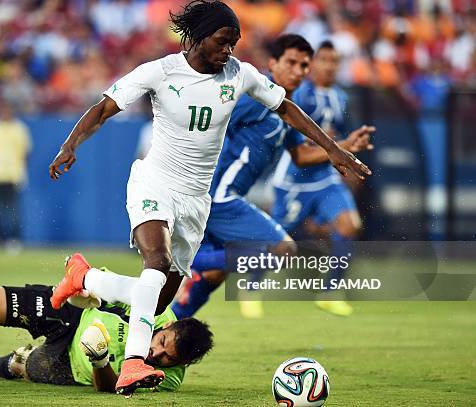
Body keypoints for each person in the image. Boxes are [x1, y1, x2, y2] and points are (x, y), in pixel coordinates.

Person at [47, 1, 370, 395]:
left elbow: (286, 108)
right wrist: (70, 144)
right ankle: (133, 363)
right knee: (157, 260)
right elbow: (102, 109)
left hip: (196, 201)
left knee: (160, 298)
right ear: (198, 37)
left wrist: (334, 149)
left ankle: (86, 277)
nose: (229, 50)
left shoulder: (240, 75)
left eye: (234, 43)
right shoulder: (161, 71)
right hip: (155, 182)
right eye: (222, 41)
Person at [170, 35, 374, 320]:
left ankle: (164, 325)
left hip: (223, 197)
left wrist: (344, 147)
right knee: (281, 249)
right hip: (217, 195)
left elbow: (301, 155)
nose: (298, 70)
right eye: (291, 62)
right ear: (272, 63)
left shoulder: (284, 108)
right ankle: (182, 261)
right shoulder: (256, 98)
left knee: (215, 274)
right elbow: (213, 118)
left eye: (304, 65)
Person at [0, 237, 213, 392]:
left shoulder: (167, 380)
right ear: (168, 325)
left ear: (182, 365)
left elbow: (108, 391)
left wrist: (102, 361)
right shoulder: (151, 306)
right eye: (163, 342)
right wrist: (86, 293)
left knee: (10, 367)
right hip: (69, 315)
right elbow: (100, 290)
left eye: (168, 359)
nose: (157, 354)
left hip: (70, 366)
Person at [271, 41, 374, 316]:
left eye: (334, 61)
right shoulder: (299, 95)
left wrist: (351, 145)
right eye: (324, 60)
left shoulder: (340, 97)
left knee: (349, 226)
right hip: (294, 179)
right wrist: (340, 147)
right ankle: (251, 286)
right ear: (311, 64)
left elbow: (338, 138)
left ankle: (330, 292)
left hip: (325, 178)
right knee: (277, 242)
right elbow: (297, 146)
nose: (329, 66)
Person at [0, 102, 31, 250]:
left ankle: (13, 239)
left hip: (14, 173)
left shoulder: (19, 128)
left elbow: (26, 152)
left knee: (13, 209)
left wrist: (22, 172)